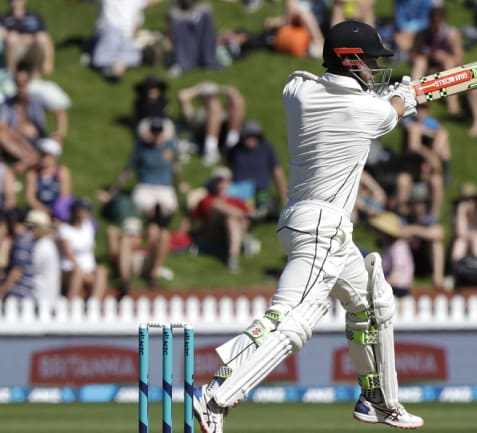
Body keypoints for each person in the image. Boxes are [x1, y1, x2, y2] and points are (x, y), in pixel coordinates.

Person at [192, 20, 423, 433]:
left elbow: (309, 81)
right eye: (370, 62)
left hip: (305, 222)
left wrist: (393, 97)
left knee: (373, 300)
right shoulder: (364, 110)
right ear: (350, 61)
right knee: (294, 320)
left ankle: (378, 400)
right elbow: (392, 112)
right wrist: (407, 94)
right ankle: (216, 395)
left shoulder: (298, 94)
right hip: (322, 229)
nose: (375, 69)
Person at [100, 117, 183, 287]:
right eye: (154, 131)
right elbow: (128, 170)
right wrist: (112, 191)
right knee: (131, 233)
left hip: (164, 188)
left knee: (163, 225)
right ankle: (125, 279)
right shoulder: (141, 147)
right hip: (146, 186)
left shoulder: (170, 147)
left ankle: (159, 218)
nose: (157, 134)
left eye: (159, 131)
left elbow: (176, 167)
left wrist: (180, 183)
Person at [191, 166, 254, 272]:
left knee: (231, 220)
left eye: (224, 180)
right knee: (217, 206)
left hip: (233, 232)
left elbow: (248, 223)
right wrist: (241, 214)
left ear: (229, 182)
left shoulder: (238, 201)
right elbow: (193, 220)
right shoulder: (207, 199)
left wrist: (242, 219)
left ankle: (233, 257)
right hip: (211, 234)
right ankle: (233, 257)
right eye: (218, 181)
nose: (221, 184)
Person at [226, 121, 287, 219]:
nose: (250, 139)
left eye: (253, 136)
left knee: (269, 207)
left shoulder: (267, 148)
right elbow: (227, 171)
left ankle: (255, 213)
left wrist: (284, 196)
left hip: (260, 191)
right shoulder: (235, 151)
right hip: (240, 191)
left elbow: (277, 172)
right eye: (247, 136)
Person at [410, 6, 464, 114]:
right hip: (427, 63)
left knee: (448, 63)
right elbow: (412, 56)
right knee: (420, 62)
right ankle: (416, 97)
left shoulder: (451, 34)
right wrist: (426, 55)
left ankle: (452, 103)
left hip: (445, 64)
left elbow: (459, 59)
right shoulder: (422, 34)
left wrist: (444, 56)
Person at [178, 81, 246, 166]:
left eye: (212, 96)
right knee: (215, 109)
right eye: (207, 96)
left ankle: (233, 143)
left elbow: (234, 93)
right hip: (203, 135)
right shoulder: (198, 113)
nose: (210, 99)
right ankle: (211, 150)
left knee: (237, 101)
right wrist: (199, 89)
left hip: (224, 131)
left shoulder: (222, 110)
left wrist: (218, 88)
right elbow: (182, 96)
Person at [92, 0, 162, 81]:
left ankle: (114, 66)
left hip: (126, 34)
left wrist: (135, 33)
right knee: (113, 39)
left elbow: (138, 18)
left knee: (133, 53)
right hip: (109, 31)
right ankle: (111, 65)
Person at [57, 199, 107, 300]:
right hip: (69, 269)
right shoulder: (64, 229)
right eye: (83, 210)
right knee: (77, 274)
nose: (86, 213)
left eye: (88, 211)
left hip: (88, 268)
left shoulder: (88, 227)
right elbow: (69, 254)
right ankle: (70, 306)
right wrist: (84, 274)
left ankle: (94, 304)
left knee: (101, 271)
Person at [1, 0, 54, 75]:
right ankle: (11, 73)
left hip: (31, 48)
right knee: (12, 38)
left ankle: (37, 71)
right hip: (14, 49)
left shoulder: (34, 16)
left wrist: (48, 62)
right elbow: (3, 34)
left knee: (42, 38)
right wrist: (20, 38)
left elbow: (45, 35)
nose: (15, 2)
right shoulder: (4, 18)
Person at [368, 211, 414, 298]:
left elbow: (397, 271)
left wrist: (382, 285)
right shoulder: (388, 247)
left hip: (399, 287)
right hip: (391, 284)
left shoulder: (399, 247)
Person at [167, 0, 219, 75]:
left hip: (202, 41)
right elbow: (170, 32)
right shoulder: (174, 10)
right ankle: (185, 63)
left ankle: (208, 60)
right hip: (185, 44)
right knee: (179, 25)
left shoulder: (204, 8)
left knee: (206, 17)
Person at [25, 138, 71, 217]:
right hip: (38, 210)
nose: (43, 158)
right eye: (41, 154)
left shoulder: (62, 172)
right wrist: (43, 209)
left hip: (57, 210)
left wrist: (55, 211)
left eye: (46, 155)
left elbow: (64, 196)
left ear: (54, 157)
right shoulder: (33, 174)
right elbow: (30, 198)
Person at [450, 182, 477, 267]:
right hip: (461, 243)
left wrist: (471, 236)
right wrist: (461, 213)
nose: (470, 202)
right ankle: (458, 272)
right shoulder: (456, 214)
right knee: (459, 243)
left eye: (473, 199)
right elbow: (459, 234)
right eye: (466, 199)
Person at [26, 209, 59, 309]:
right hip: (43, 296)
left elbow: (29, 268)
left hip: (41, 296)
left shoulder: (43, 246)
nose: (30, 230)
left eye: (33, 227)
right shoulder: (45, 243)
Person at [0, 208, 34, 302]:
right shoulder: (20, 239)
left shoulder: (23, 240)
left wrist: (2, 292)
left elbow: (17, 270)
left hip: (18, 294)